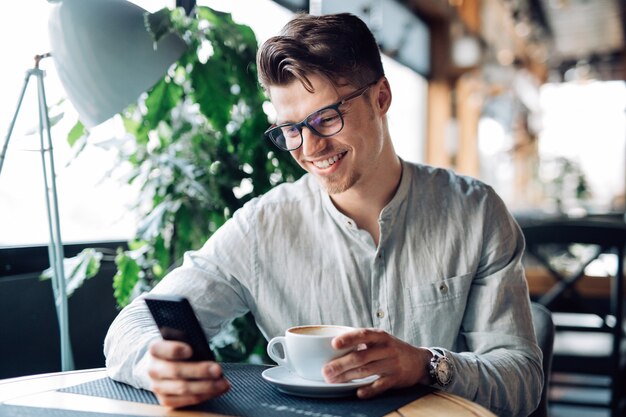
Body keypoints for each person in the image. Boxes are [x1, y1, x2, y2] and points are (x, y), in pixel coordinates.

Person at [104, 12, 543, 417]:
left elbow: (522, 380)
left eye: (326, 118)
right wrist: (155, 364)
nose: (310, 148)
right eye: (291, 129)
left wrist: (427, 365)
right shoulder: (262, 228)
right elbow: (133, 324)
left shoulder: (475, 212)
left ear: (382, 97)